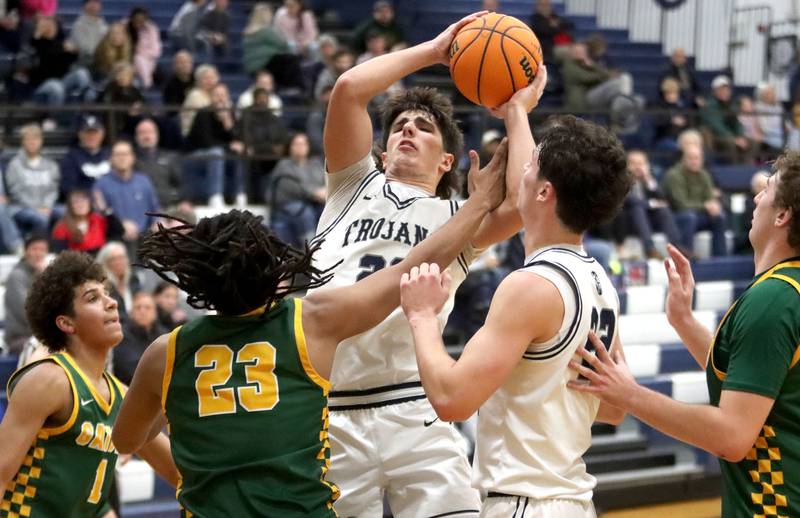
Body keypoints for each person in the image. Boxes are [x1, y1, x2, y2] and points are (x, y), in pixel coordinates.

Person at [110, 143, 507, 516]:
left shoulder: (166, 351)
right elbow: (410, 267)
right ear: (272, 266)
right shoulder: (309, 321)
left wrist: (187, 466)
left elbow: (127, 440)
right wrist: (480, 203)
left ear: (199, 281)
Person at [311, 12, 546, 516]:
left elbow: (528, 199)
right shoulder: (351, 187)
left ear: (447, 163)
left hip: (413, 403)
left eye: (423, 128)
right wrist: (437, 51)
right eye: (399, 127)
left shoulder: (460, 216)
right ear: (382, 147)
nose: (407, 132)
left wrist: (517, 112)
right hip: (332, 409)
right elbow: (349, 89)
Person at [400, 114, 631, 518]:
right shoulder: (599, 282)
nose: (520, 171)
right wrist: (517, 110)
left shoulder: (531, 286)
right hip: (572, 501)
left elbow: (452, 399)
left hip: (524, 502)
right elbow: (614, 407)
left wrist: (421, 317)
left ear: (544, 192)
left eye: (530, 165)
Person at [568, 150, 800, 517]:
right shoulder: (786, 290)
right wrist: (683, 321)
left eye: (767, 189)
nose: (756, 197)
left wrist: (629, 395)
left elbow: (731, 436)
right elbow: (752, 380)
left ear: (783, 215)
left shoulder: (774, 300)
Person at [0, 251, 178, 517]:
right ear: (66, 322)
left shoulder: (120, 395)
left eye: (107, 293)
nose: (111, 303)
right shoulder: (49, 380)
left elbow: (180, 474)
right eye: (93, 298)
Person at [663, 143, 728, 257]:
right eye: (691, 158)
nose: (694, 161)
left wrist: (713, 206)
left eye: (697, 158)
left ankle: (720, 257)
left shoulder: (704, 175)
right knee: (689, 216)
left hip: (698, 215)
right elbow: (681, 204)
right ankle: (687, 256)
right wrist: (705, 206)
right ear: (683, 159)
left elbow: (710, 199)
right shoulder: (674, 175)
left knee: (719, 216)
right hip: (676, 216)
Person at [93, 140, 160, 246]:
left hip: (145, 238)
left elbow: (155, 210)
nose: (122, 158)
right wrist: (120, 225)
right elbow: (98, 216)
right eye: (118, 154)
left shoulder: (144, 181)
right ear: (111, 159)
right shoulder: (101, 184)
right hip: (115, 239)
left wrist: (157, 224)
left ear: (132, 158)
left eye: (126, 154)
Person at [618, 149, 682, 260]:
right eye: (634, 163)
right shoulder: (622, 180)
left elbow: (663, 198)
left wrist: (649, 180)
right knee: (637, 208)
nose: (638, 167)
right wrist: (650, 204)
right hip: (628, 220)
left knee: (663, 210)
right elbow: (631, 200)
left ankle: (677, 247)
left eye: (641, 163)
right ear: (627, 165)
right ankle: (650, 249)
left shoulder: (648, 181)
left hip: (647, 220)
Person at [5, 123, 60, 235]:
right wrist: (36, 208)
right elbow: (15, 192)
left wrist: (47, 205)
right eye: (28, 139)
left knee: (65, 212)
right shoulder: (14, 165)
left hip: (47, 206)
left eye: (35, 138)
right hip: (21, 208)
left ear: (41, 141)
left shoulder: (51, 164)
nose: (32, 142)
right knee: (40, 218)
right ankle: (42, 249)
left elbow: (53, 189)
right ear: (22, 142)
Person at [3, 233, 48, 354]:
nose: (39, 253)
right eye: (35, 249)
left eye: (42, 249)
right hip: (20, 338)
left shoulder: (43, 274)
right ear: (26, 251)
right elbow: (27, 311)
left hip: (39, 335)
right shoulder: (17, 276)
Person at [113, 291, 165, 384]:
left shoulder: (163, 335)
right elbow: (132, 371)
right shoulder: (122, 335)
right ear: (131, 313)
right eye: (138, 307)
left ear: (155, 313)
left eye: (147, 307)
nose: (142, 311)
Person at [51, 189, 122, 254]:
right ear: (70, 206)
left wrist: (104, 209)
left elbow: (119, 231)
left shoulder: (98, 220)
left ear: (90, 204)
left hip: (99, 261)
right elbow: (59, 253)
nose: (80, 205)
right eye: (75, 202)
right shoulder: (62, 226)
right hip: (76, 263)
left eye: (83, 201)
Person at [60, 116, 111, 200]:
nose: (91, 136)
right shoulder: (71, 157)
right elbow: (68, 188)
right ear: (80, 134)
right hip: (84, 205)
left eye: (95, 132)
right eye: (87, 133)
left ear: (102, 133)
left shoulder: (111, 154)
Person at [68, 0, 108, 68]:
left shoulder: (104, 25)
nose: (93, 5)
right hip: (85, 64)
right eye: (90, 2)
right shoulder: (79, 25)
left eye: (96, 2)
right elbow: (86, 49)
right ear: (84, 6)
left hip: (103, 63)